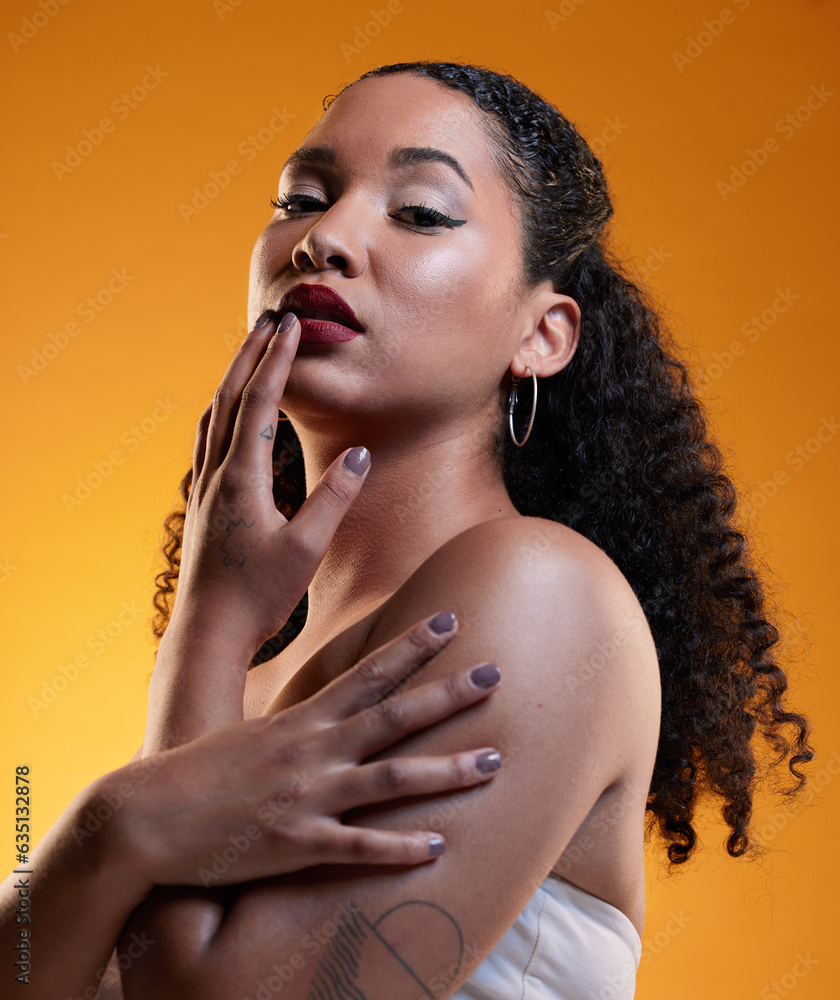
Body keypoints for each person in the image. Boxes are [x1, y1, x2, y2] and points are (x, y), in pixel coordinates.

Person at [1, 60, 814, 999]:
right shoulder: (251, 686)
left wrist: (194, 658)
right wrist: (112, 824)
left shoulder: (541, 598)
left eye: (421, 212)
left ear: (542, 334)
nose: (325, 238)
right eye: (301, 198)